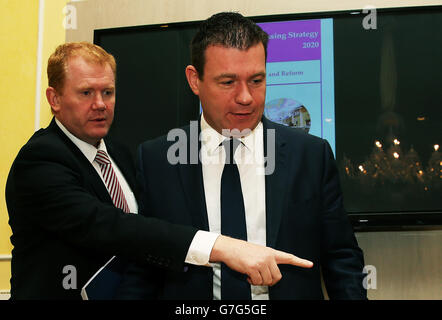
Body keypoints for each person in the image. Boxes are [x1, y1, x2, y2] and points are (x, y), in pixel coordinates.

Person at [5, 42, 312, 300]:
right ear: (54, 99)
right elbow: (111, 227)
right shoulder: (40, 160)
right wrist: (222, 246)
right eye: (86, 93)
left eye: (108, 92)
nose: (100, 104)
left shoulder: (120, 153)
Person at [118, 12, 367, 300]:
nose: (246, 97)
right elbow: (144, 264)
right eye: (228, 82)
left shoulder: (311, 155)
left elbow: (342, 259)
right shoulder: (158, 160)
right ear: (194, 80)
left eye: (257, 80)